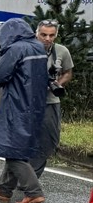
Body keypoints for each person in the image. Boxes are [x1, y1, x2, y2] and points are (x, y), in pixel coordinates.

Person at [0, 18, 50, 203]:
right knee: (17, 147)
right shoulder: (38, 47)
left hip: (16, 104)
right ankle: (4, 189)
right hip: (34, 105)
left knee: (11, 149)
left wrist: (0, 58)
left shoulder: (16, 49)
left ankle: (34, 192)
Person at [28, 20, 73, 180]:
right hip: (27, 102)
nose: (47, 38)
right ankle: (11, 182)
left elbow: (68, 72)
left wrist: (57, 83)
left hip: (50, 102)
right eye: (44, 35)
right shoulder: (26, 48)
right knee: (20, 141)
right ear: (36, 33)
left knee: (47, 141)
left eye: (51, 35)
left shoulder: (61, 51)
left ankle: (31, 179)